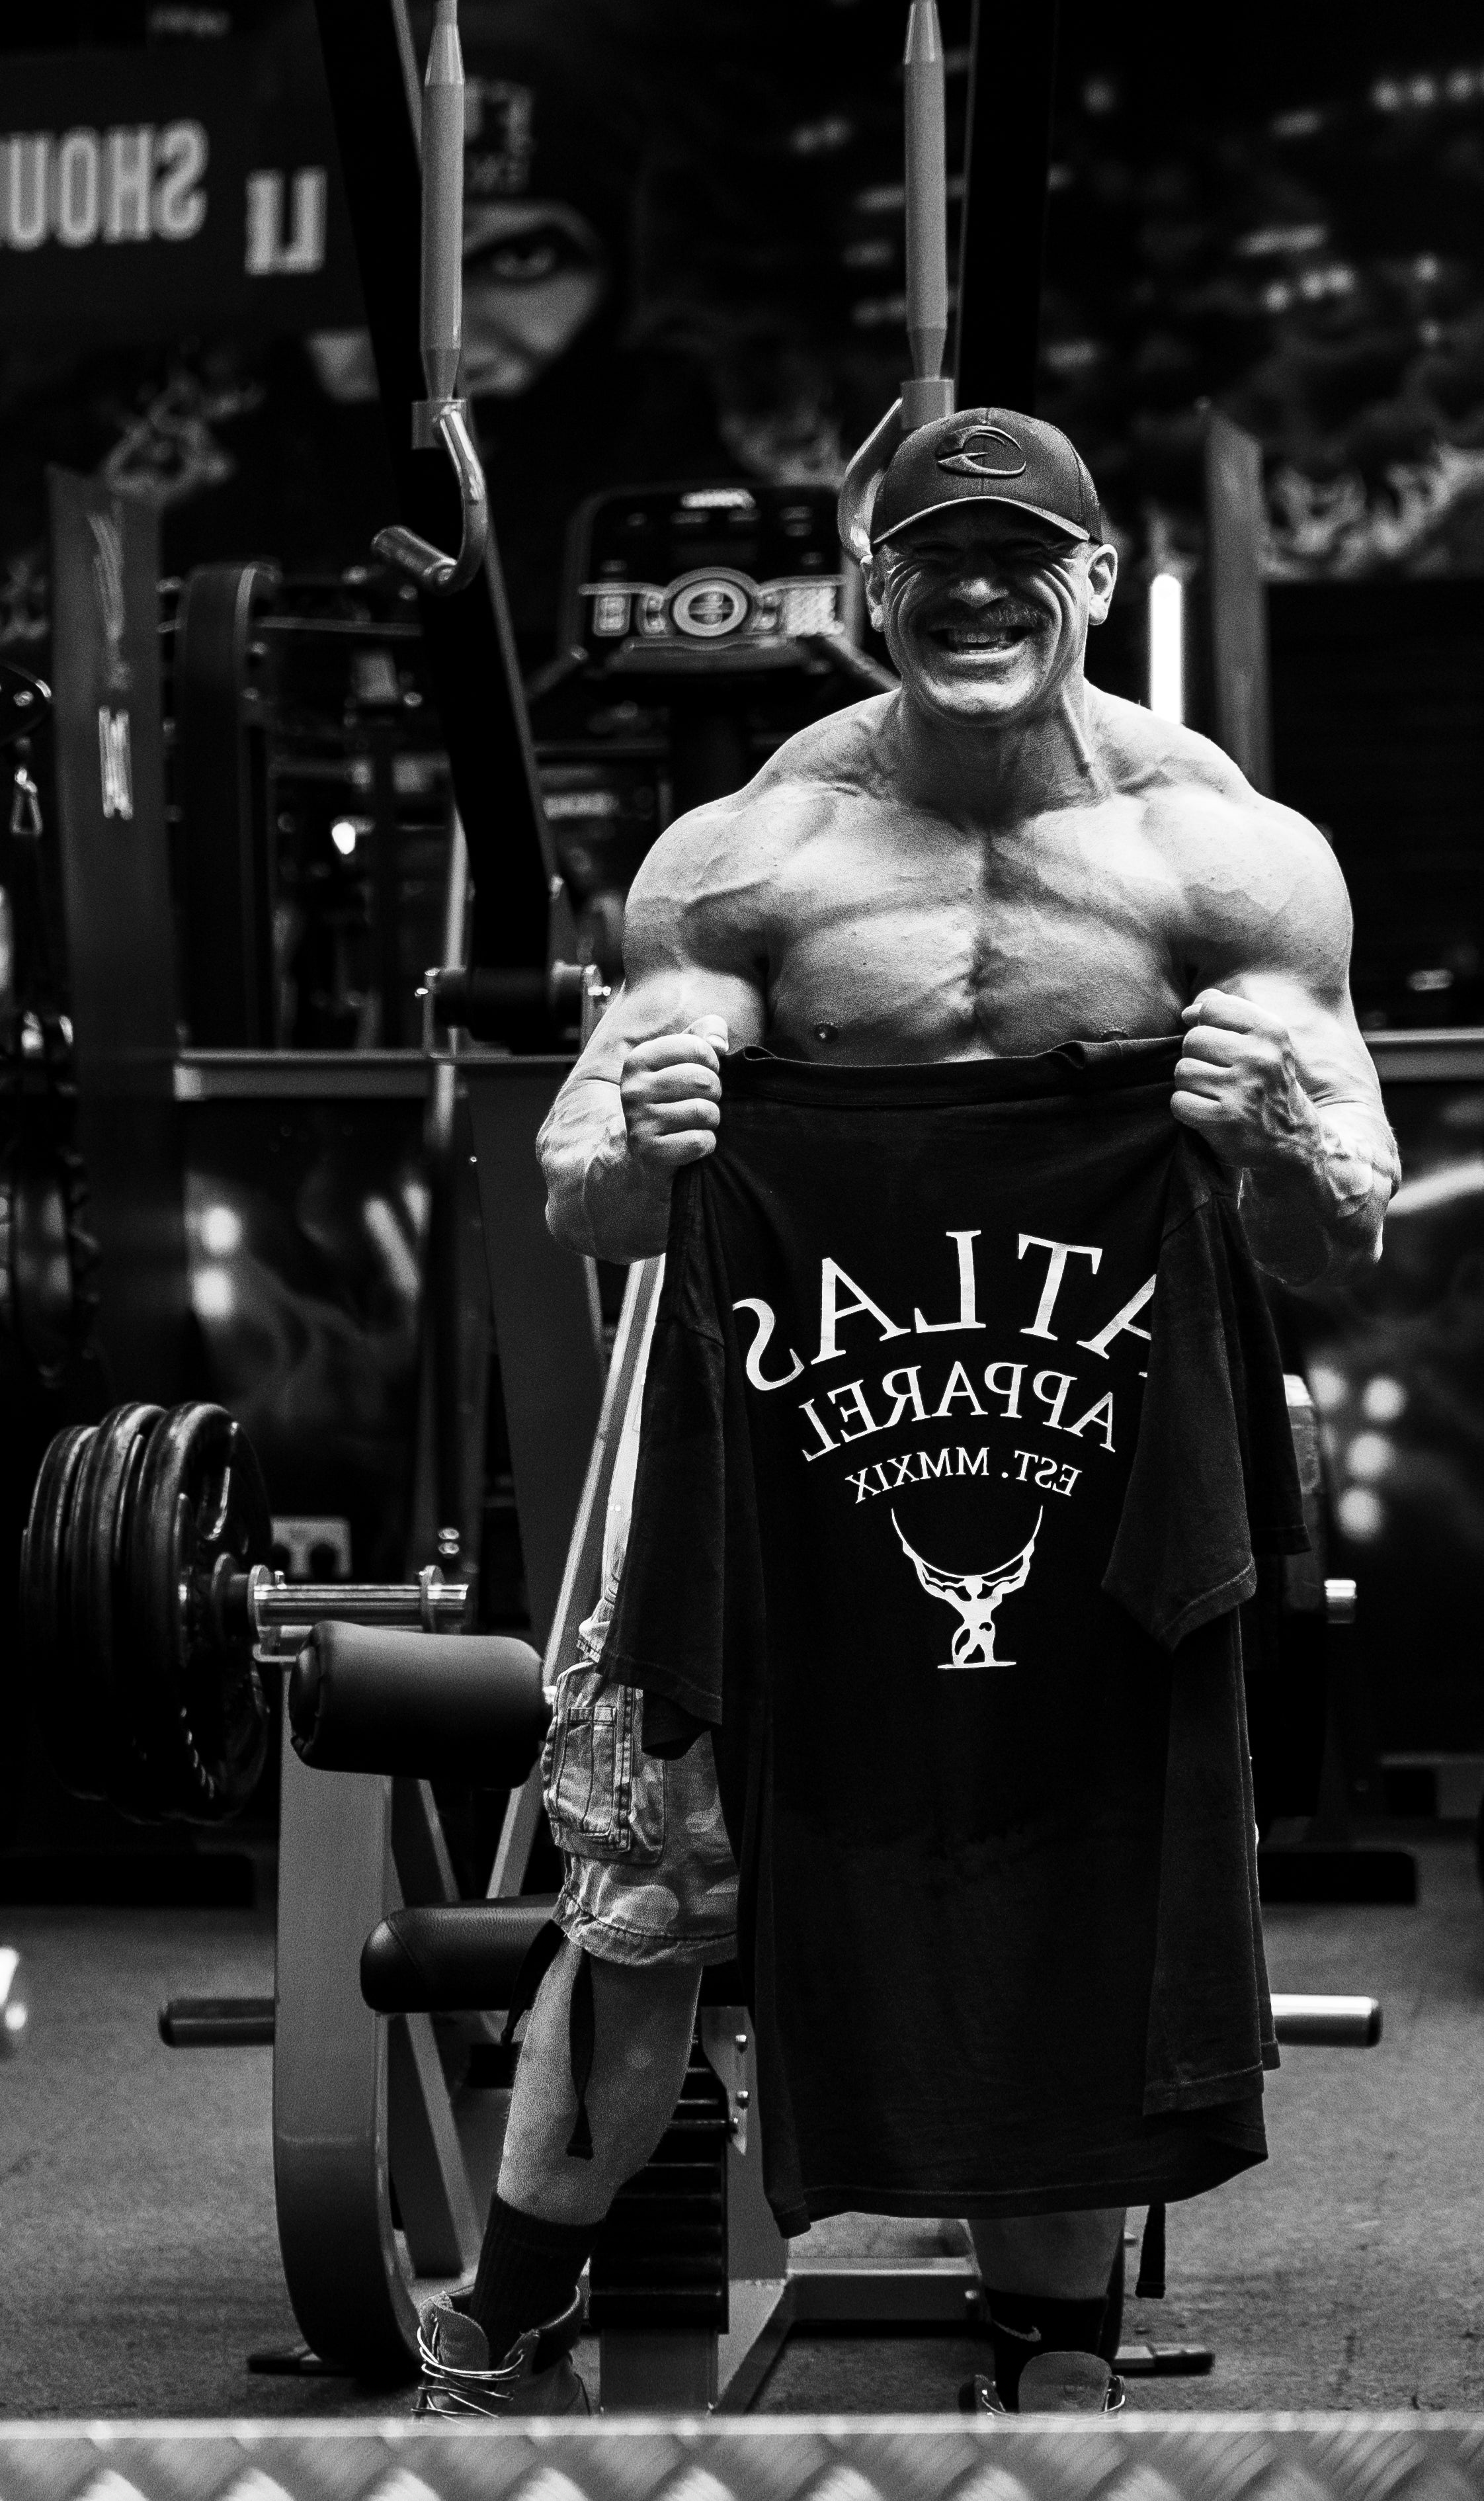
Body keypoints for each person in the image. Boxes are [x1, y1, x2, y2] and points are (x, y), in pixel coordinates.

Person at [416, 405, 1398, 2417]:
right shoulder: (749, 861)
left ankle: (1049, 2335)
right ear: (868, 591)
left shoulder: (1225, 857)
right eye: (924, 557)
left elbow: (1337, 1238)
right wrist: (645, 1150)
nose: (966, 588)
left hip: (1088, 1444)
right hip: (768, 1426)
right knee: (648, 1870)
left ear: (1098, 582)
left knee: (1073, 1853)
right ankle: (514, 2292)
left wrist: (1267, 1133)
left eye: (1012, 553)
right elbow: (590, 1184)